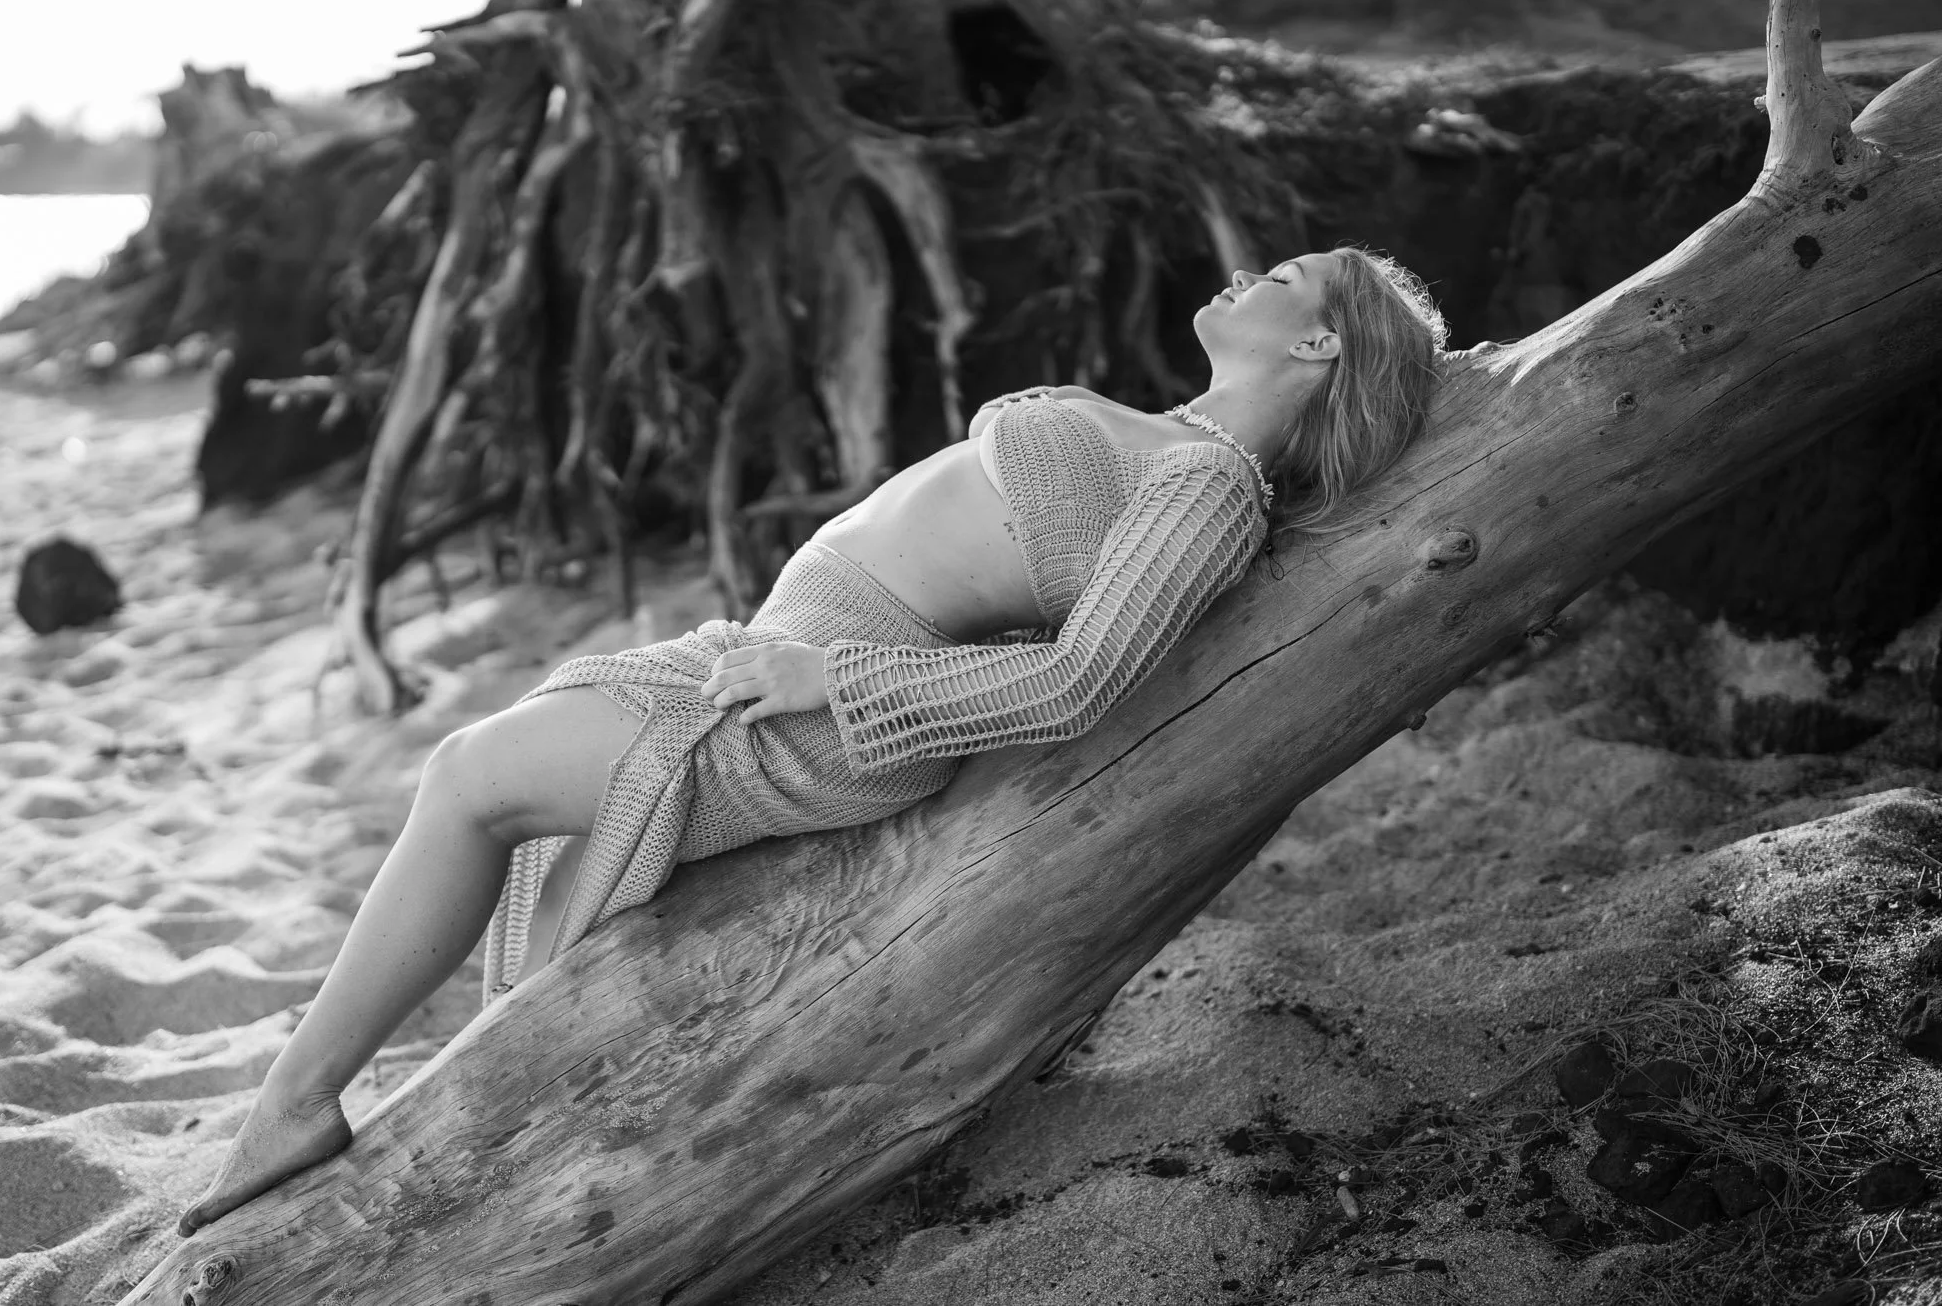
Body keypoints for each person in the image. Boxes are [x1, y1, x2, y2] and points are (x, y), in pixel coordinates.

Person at [177, 244, 1448, 1235]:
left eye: (1282, 279)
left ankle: (294, 1107)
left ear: (1321, 338)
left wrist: (827, 675)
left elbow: (1075, 686)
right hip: (774, 661)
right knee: (551, 929)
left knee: (467, 781)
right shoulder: (1171, 438)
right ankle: (420, 1138)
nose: (1249, 276)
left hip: (825, 704)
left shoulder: (1211, 486)